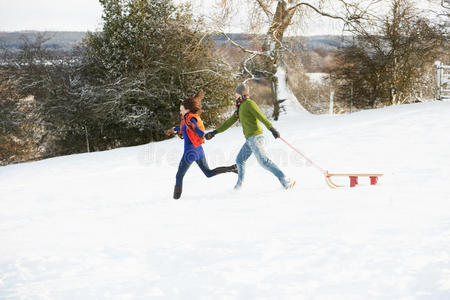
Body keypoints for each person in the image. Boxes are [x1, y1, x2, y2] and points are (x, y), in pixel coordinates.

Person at [205, 82, 295, 190]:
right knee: (239, 161)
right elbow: (228, 123)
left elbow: (261, 117)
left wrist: (272, 129)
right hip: (249, 140)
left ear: (241, 94)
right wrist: (214, 132)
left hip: (256, 137)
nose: (235, 95)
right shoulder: (239, 107)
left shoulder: (249, 104)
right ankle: (238, 187)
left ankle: (285, 180)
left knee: (264, 162)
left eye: (236, 94)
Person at [165, 90, 238, 199]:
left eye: (181, 110)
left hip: (190, 152)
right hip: (198, 151)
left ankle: (175, 200)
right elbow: (183, 127)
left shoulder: (191, 118)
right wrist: (172, 130)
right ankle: (232, 168)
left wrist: (201, 134)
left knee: (179, 176)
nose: (180, 112)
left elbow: (196, 128)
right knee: (208, 173)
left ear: (187, 109)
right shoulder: (187, 118)